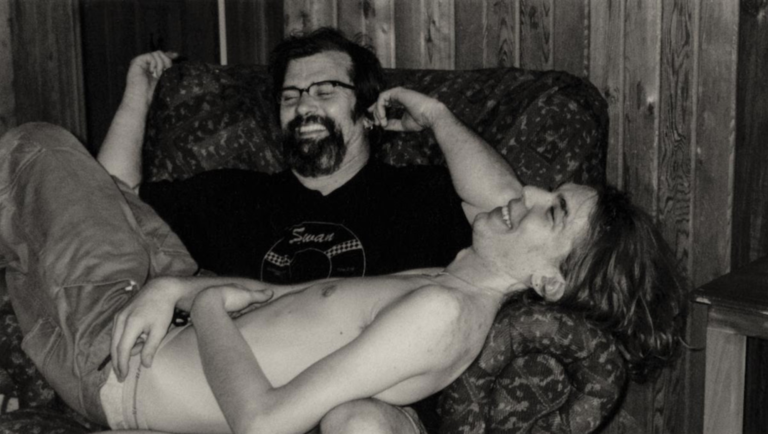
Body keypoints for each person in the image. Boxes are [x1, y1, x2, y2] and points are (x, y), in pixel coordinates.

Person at [97, 27, 520, 432]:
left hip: (369, 408)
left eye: (325, 91)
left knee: (357, 423)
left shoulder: (419, 195)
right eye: (290, 96)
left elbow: (509, 212)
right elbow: (112, 207)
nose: (303, 106)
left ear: (368, 110)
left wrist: (437, 117)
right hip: (234, 404)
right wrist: (139, 94)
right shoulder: (234, 196)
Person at [93, 181, 686, 434]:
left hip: (122, 362)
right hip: (154, 318)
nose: (526, 192)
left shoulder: (443, 312)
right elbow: (286, 300)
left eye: (551, 211)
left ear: (548, 282)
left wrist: (202, 305)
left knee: (46, 149)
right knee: (92, 182)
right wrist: (179, 289)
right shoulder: (445, 282)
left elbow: (263, 424)